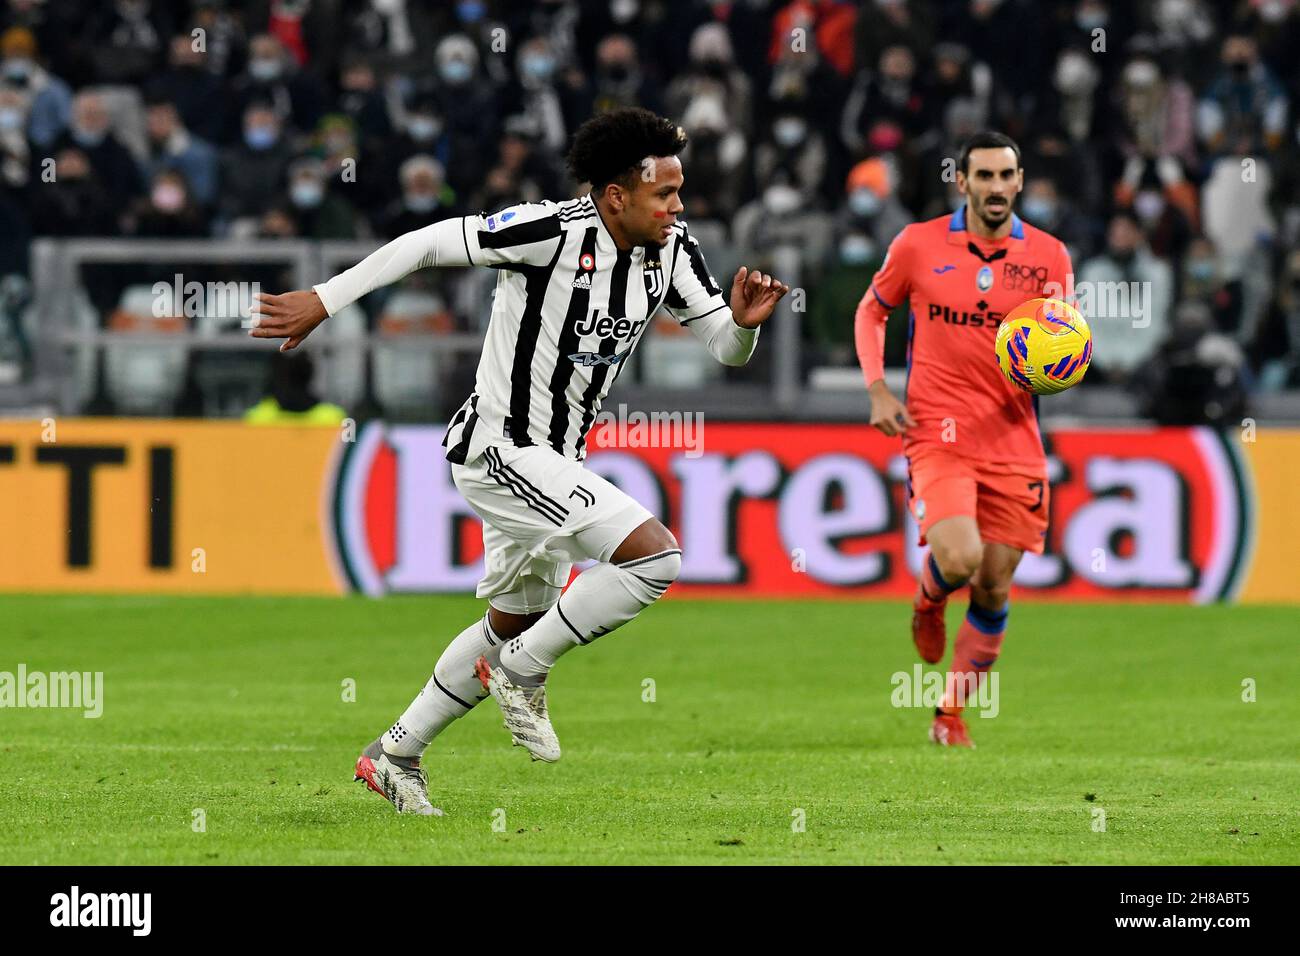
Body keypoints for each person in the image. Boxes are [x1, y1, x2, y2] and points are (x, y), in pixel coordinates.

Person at [247, 107, 789, 814]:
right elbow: (427, 243)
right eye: (665, 193)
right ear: (616, 195)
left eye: (680, 191)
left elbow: (722, 342)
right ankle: (526, 673)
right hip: (499, 449)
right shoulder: (549, 231)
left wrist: (744, 329)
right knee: (654, 559)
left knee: (511, 622)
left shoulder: (672, 250)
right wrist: (325, 298)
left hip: (556, 457)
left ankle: (394, 755)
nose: (679, 206)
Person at [854, 131, 1072, 748]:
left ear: (1021, 181)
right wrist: (877, 389)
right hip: (936, 432)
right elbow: (872, 311)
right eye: (985, 176)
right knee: (959, 559)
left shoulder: (1051, 257)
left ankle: (948, 714)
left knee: (995, 584)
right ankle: (928, 602)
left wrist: (1059, 368)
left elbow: (1064, 338)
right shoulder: (918, 244)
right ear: (963, 182)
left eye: (1007, 176)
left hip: (1013, 438)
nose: (996, 188)